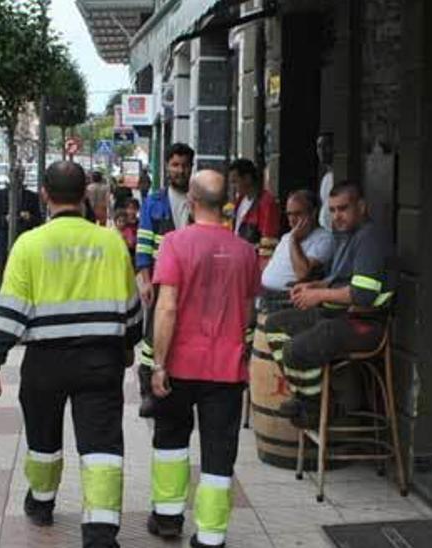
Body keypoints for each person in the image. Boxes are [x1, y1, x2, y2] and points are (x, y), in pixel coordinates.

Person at [0, 161, 141, 548]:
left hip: (45, 363)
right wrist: (129, 346)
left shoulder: (29, 244)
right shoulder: (111, 242)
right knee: (102, 446)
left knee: (43, 439)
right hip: (100, 361)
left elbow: (10, 310)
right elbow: (132, 306)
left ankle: (42, 502)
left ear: (45, 197)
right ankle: (100, 532)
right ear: (84, 193)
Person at [144, 170, 260, 547]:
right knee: (218, 451)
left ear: (191, 202)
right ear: (225, 203)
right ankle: (210, 536)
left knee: (171, 440)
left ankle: (167, 517)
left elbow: (166, 309)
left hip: (180, 363)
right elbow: (249, 309)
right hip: (226, 369)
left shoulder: (175, 244)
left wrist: (158, 364)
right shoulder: (246, 251)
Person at [263, 182, 394, 427]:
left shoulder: (370, 238)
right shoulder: (347, 235)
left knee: (295, 348)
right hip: (338, 316)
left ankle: (316, 407)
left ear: (362, 207)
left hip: (365, 324)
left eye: (343, 209)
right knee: (275, 325)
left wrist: (319, 295)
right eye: (332, 210)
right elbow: (341, 279)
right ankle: (308, 395)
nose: (337, 216)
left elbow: (363, 294)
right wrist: (316, 285)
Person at [135, 143, 196, 417]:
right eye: (175, 165)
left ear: (191, 168)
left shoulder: (199, 200)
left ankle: (182, 381)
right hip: (161, 278)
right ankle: (148, 389)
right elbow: (143, 244)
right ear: (167, 167)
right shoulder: (155, 201)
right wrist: (144, 280)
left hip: (193, 280)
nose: (180, 170)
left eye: (184, 165)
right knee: (153, 335)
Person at [259, 190, 335, 313]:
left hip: (288, 299)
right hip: (264, 294)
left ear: (313, 213)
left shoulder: (324, 239)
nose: (292, 220)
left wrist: (294, 240)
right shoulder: (286, 237)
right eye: (289, 214)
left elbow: (302, 273)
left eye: (298, 214)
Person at [0, 182, 43, 287]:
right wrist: (5, 219)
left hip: (26, 242)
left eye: (21, 174)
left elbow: (39, 220)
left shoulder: (32, 196)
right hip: (3, 243)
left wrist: (29, 217)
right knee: (4, 275)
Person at [228, 158, 281, 269]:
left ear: (247, 178)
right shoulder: (240, 200)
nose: (233, 187)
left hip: (254, 263)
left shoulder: (267, 202)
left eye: (235, 182)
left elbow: (269, 241)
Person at [315, 133, 334, 232]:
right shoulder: (326, 177)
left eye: (326, 146)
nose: (322, 151)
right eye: (319, 147)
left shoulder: (337, 176)